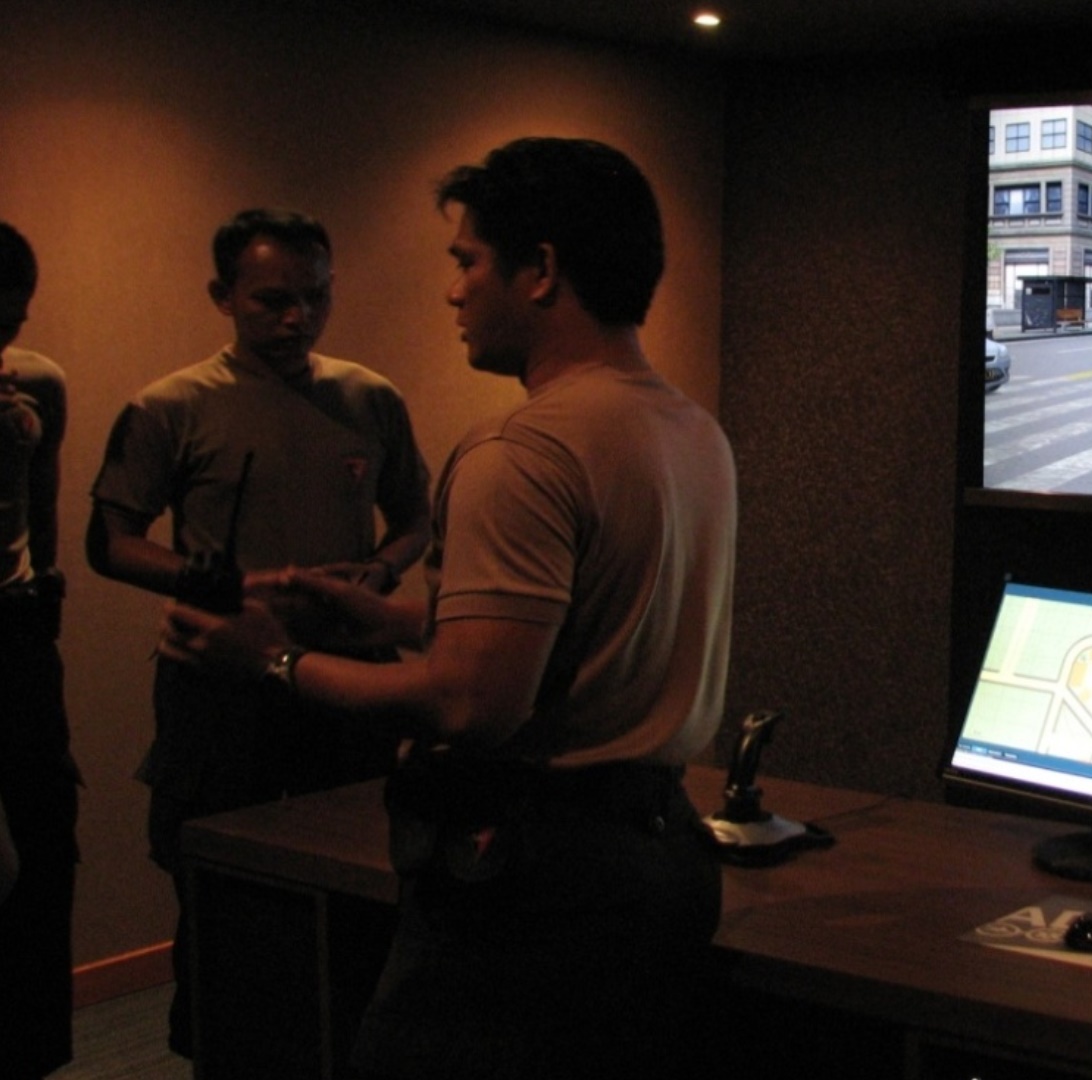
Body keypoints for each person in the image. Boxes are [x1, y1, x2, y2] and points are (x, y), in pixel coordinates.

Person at [161, 138, 737, 1080]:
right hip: (660, 855)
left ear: (541, 270)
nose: (454, 291)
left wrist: (270, 658)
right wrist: (389, 622)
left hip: (533, 882)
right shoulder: (690, 429)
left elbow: (476, 703)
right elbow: (583, 636)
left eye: (467, 261)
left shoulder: (522, 448)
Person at [86, 208, 432, 1056]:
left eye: (315, 299)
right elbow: (111, 542)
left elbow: (416, 518)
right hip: (221, 682)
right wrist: (224, 583)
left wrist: (379, 574)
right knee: (220, 891)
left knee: (362, 883)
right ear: (223, 296)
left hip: (346, 681)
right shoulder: (171, 406)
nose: (296, 320)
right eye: (272, 300)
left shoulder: (369, 397)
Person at [0, 220, 80, 1080]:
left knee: (46, 842)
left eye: (12, 321)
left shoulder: (35, 384)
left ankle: (36, 1054)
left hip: (17, 628)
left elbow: (45, 507)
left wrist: (46, 589)